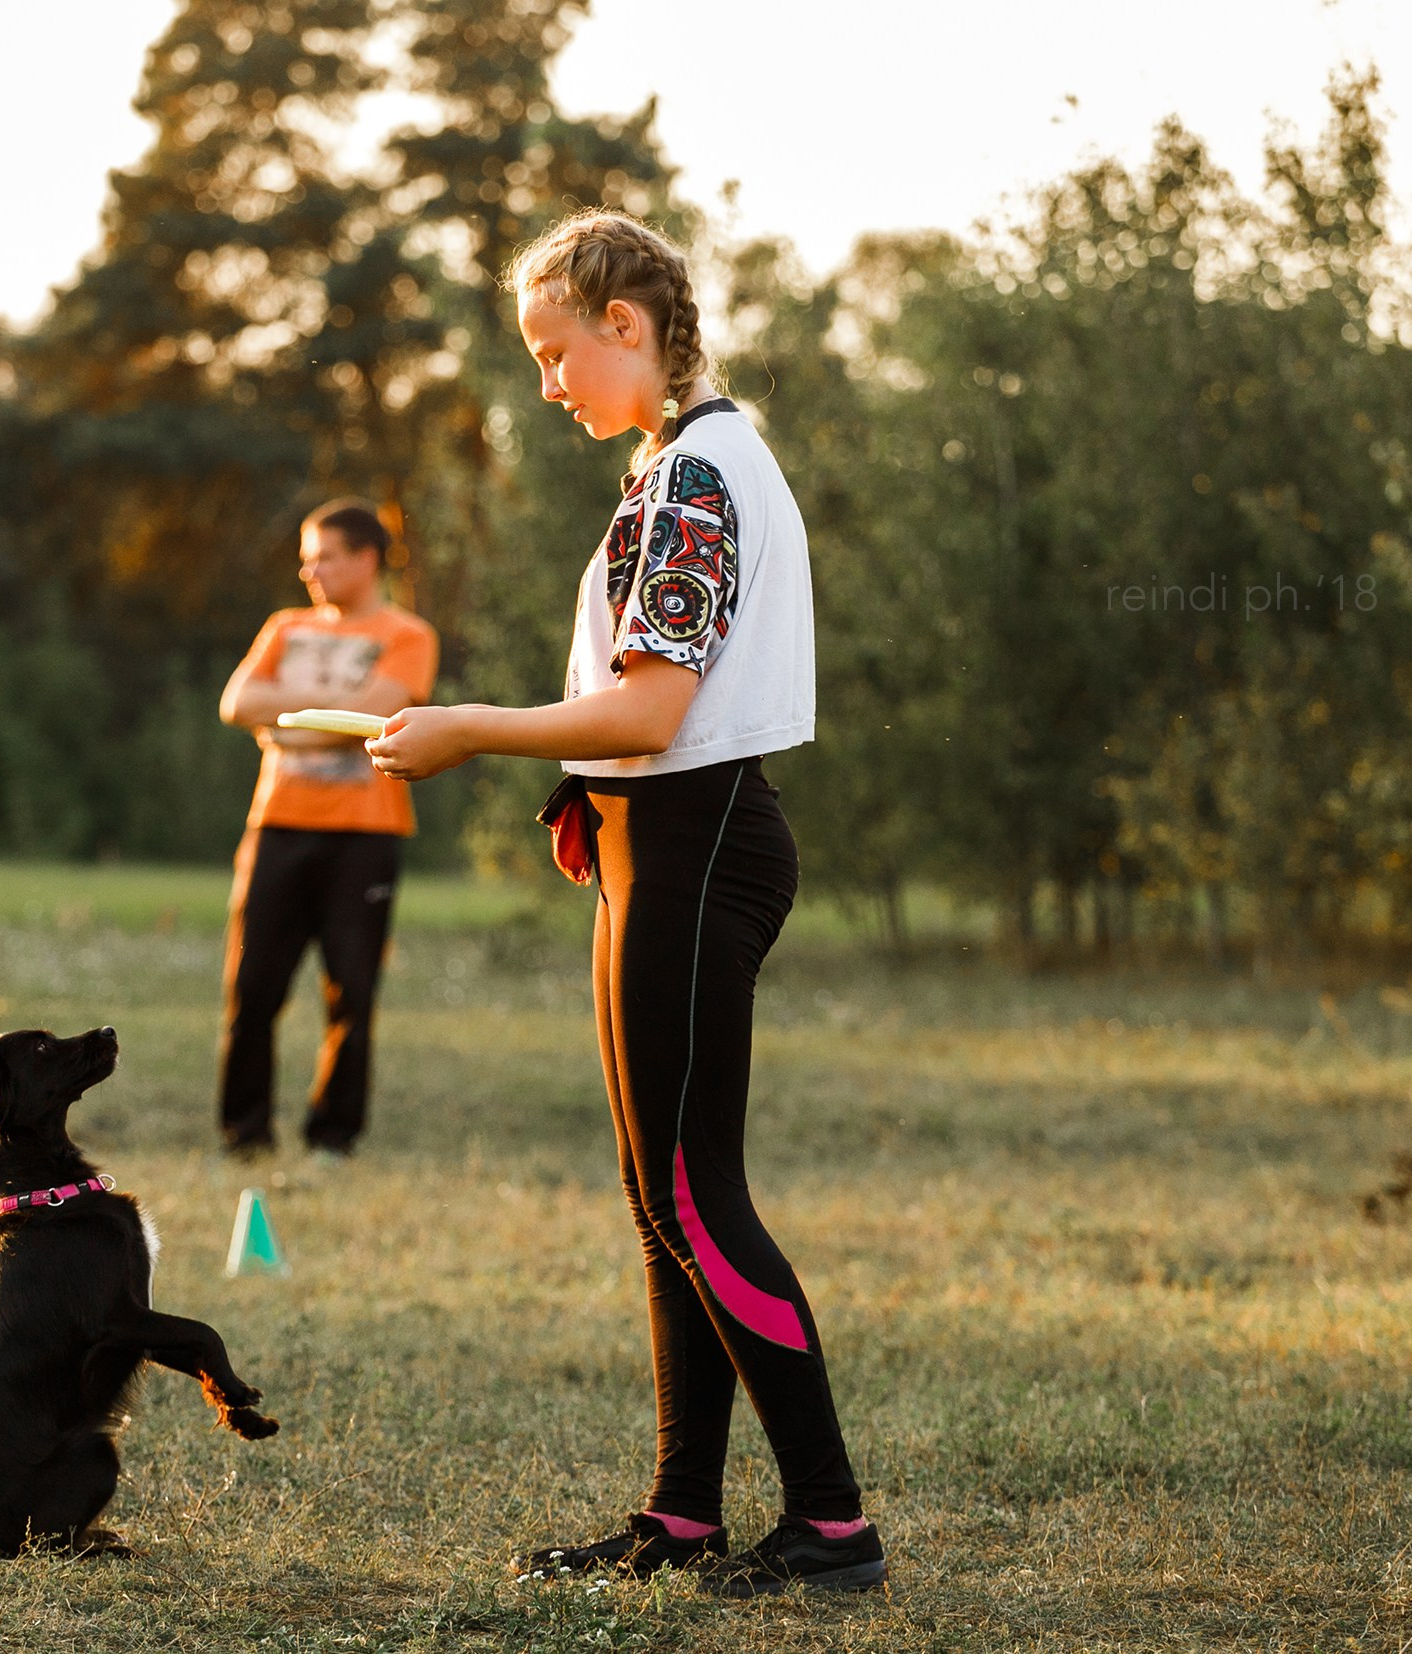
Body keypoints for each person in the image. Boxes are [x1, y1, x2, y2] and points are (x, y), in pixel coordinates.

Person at [367, 213, 884, 1596]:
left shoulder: (704, 473)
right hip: (655, 839)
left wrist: (474, 728)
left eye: (554, 353)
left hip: (701, 841)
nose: (546, 386)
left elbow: (657, 710)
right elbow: (642, 699)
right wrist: (577, 786)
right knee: (660, 1195)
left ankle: (833, 1525)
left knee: (696, 1194)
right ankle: (682, 1515)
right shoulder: (672, 463)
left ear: (628, 324)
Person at [215, 499, 438, 1158]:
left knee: (352, 988)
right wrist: (324, 720)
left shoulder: (408, 634)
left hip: (365, 836)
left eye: (326, 556)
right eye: (307, 558)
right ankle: (244, 1133)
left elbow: (373, 719)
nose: (311, 570)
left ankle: (333, 1138)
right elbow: (235, 703)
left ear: (366, 559)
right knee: (252, 987)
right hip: (276, 827)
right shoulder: (285, 626)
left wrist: (281, 725)